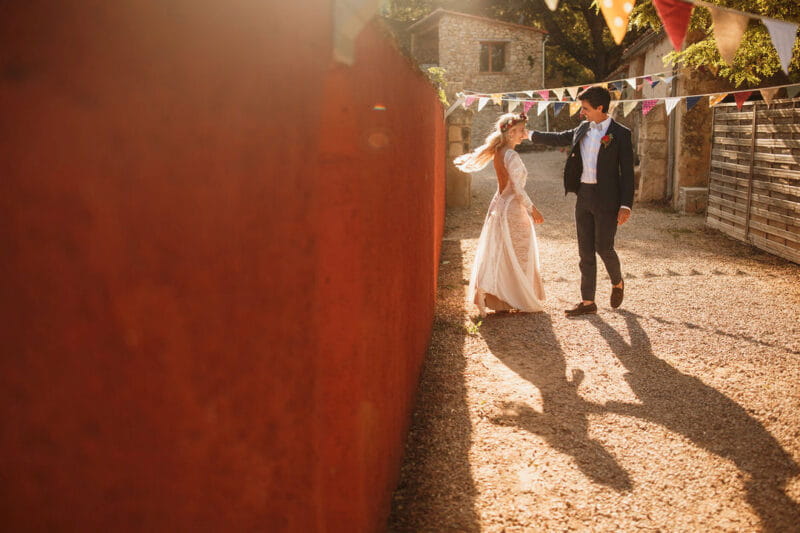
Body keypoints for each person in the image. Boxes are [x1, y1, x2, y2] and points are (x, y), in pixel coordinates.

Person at [528, 86, 634, 317]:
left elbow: (627, 172)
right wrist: (528, 134)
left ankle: (617, 282)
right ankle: (588, 301)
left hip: (608, 199)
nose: (582, 112)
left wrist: (626, 205)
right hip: (583, 195)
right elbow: (558, 138)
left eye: (585, 108)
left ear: (599, 108)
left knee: (603, 247)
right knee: (585, 251)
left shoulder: (621, 134)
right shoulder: (582, 128)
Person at [454, 112, 546, 317]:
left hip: (499, 205)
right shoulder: (510, 155)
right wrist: (532, 209)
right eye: (521, 131)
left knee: (502, 251)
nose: (524, 134)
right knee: (518, 252)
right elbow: (517, 189)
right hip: (512, 209)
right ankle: (516, 297)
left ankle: (502, 299)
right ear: (511, 133)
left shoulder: (499, 152)